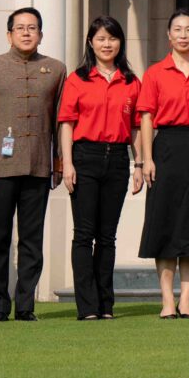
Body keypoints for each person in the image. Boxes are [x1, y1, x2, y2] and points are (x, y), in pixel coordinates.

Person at [0, 7, 66, 322]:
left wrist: (59, 162)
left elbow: (61, 122)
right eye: (20, 27)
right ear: (9, 34)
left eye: (32, 28)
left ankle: (25, 305)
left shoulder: (56, 69)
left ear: (41, 34)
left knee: (32, 240)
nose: (26, 33)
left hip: (37, 167)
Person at [138, 8, 189, 319]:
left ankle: (186, 298)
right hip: (165, 149)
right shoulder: (155, 73)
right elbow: (146, 117)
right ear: (168, 35)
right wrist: (147, 159)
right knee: (165, 223)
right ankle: (167, 300)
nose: (183, 35)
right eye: (178, 30)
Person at [57, 16, 144, 321]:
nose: (107, 44)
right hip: (85, 157)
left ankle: (106, 304)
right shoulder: (77, 79)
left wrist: (140, 164)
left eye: (112, 38)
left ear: (120, 43)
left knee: (107, 236)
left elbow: (136, 128)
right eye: (101, 38)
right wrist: (67, 164)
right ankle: (87, 306)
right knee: (84, 234)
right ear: (90, 43)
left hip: (118, 159)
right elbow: (66, 124)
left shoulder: (132, 82)